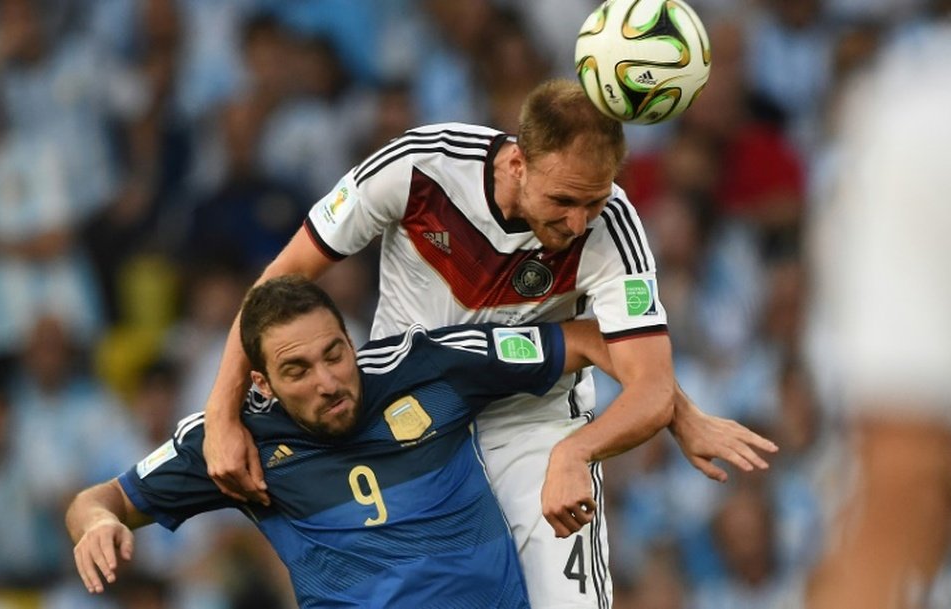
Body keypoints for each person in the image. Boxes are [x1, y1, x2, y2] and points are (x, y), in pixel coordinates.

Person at [202, 79, 778, 607]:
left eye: (594, 201)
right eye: (564, 201)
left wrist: (579, 451)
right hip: (410, 426)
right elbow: (279, 285)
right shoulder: (418, 168)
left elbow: (645, 381)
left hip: (532, 425)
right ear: (518, 162)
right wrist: (221, 413)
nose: (579, 223)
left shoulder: (614, 230)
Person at [69, 275, 622, 607]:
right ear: (261, 383)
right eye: (298, 370)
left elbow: (595, 338)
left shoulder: (427, 366)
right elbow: (97, 501)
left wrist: (674, 410)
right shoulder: (238, 441)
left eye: (335, 353)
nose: (328, 381)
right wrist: (98, 524)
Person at [804, 17, 951, 609]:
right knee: (878, 554)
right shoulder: (914, 104)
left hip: (892, 372)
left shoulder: (899, 97)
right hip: (907, 375)